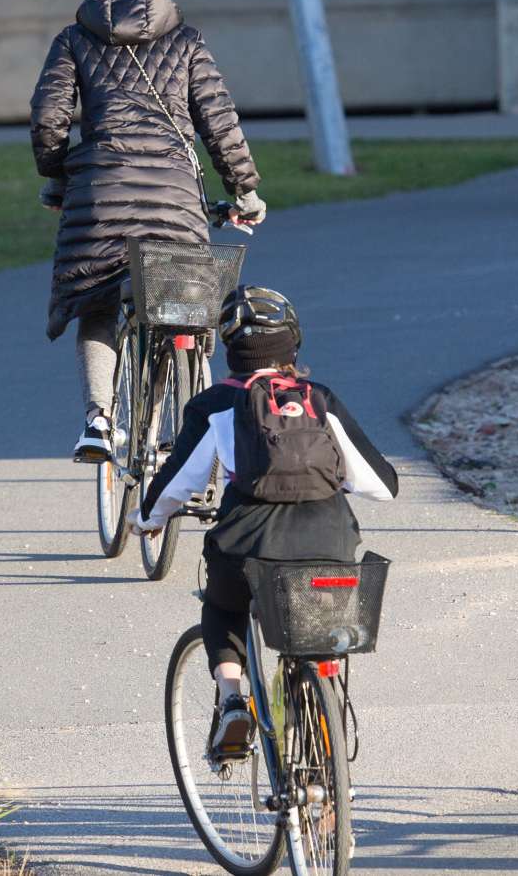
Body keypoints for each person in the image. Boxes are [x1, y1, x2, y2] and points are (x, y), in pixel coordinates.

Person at [31, 0, 267, 461]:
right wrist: (245, 190)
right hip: (174, 195)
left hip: (97, 193)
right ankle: (195, 439)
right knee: (186, 305)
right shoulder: (186, 42)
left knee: (98, 302)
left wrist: (57, 179)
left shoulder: (72, 40)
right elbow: (219, 122)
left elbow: (48, 120)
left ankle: (98, 420)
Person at [137, 286, 399, 754]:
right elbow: (382, 485)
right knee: (321, 635)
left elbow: (180, 481)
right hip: (328, 541)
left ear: (230, 350)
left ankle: (234, 701)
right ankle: (331, 779)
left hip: (249, 542)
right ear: (293, 345)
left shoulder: (216, 404)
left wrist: (148, 519)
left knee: (224, 606)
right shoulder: (318, 398)